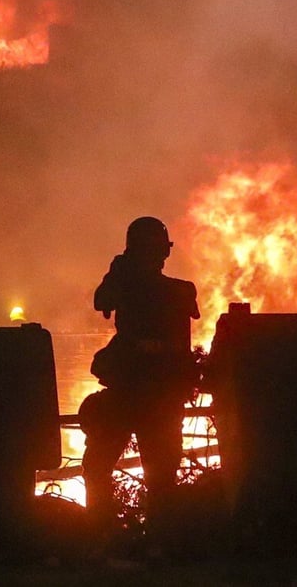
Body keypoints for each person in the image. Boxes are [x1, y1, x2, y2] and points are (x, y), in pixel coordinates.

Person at [79, 216, 200, 545]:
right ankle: (153, 542)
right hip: (150, 394)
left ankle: (108, 537)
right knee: (157, 475)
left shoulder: (159, 288)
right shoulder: (176, 291)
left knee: (111, 467)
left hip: (141, 393)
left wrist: (120, 270)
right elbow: (103, 300)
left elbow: (104, 300)